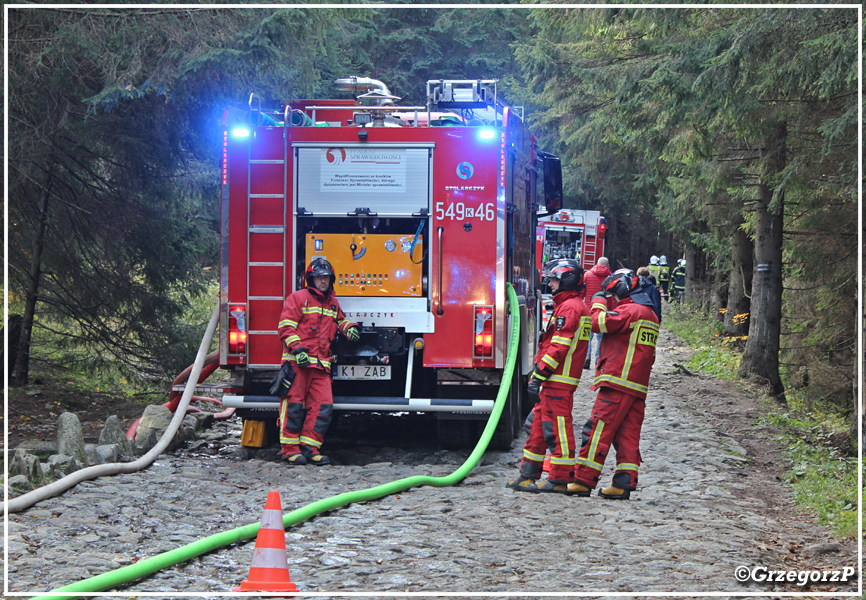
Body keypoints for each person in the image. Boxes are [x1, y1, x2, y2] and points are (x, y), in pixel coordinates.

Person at [569, 268, 659, 499]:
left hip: (618, 381)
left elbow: (597, 323)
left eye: (614, 296)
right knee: (628, 435)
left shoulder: (630, 311)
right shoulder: (651, 315)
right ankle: (623, 483)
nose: (614, 301)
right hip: (637, 386)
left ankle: (582, 480)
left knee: (598, 430)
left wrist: (598, 300)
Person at [507, 258, 591, 494]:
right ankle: (527, 476)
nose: (550, 284)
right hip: (555, 380)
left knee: (557, 431)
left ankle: (560, 479)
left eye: (554, 279)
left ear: (567, 280)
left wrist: (540, 374)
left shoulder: (571, 307)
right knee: (536, 428)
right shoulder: (571, 305)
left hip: (558, 381)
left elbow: (558, 347)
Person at [277, 258, 359, 465]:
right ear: (310, 279)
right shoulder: (297, 298)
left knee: (323, 407)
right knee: (293, 406)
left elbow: (339, 320)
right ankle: (289, 450)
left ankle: (310, 448)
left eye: (326, 278)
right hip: (298, 364)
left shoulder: (332, 302)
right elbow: (286, 327)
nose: (323, 281)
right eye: (319, 277)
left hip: (321, 365)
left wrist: (349, 328)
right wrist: (298, 350)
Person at [581, 257, 611, 369]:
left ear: (596, 264)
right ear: (607, 265)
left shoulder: (587, 275)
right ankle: (598, 361)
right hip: (603, 310)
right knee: (601, 338)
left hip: (589, 310)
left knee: (587, 336)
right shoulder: (610, 277)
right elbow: (612, 296)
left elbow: (582, 293)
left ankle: (586, 357)